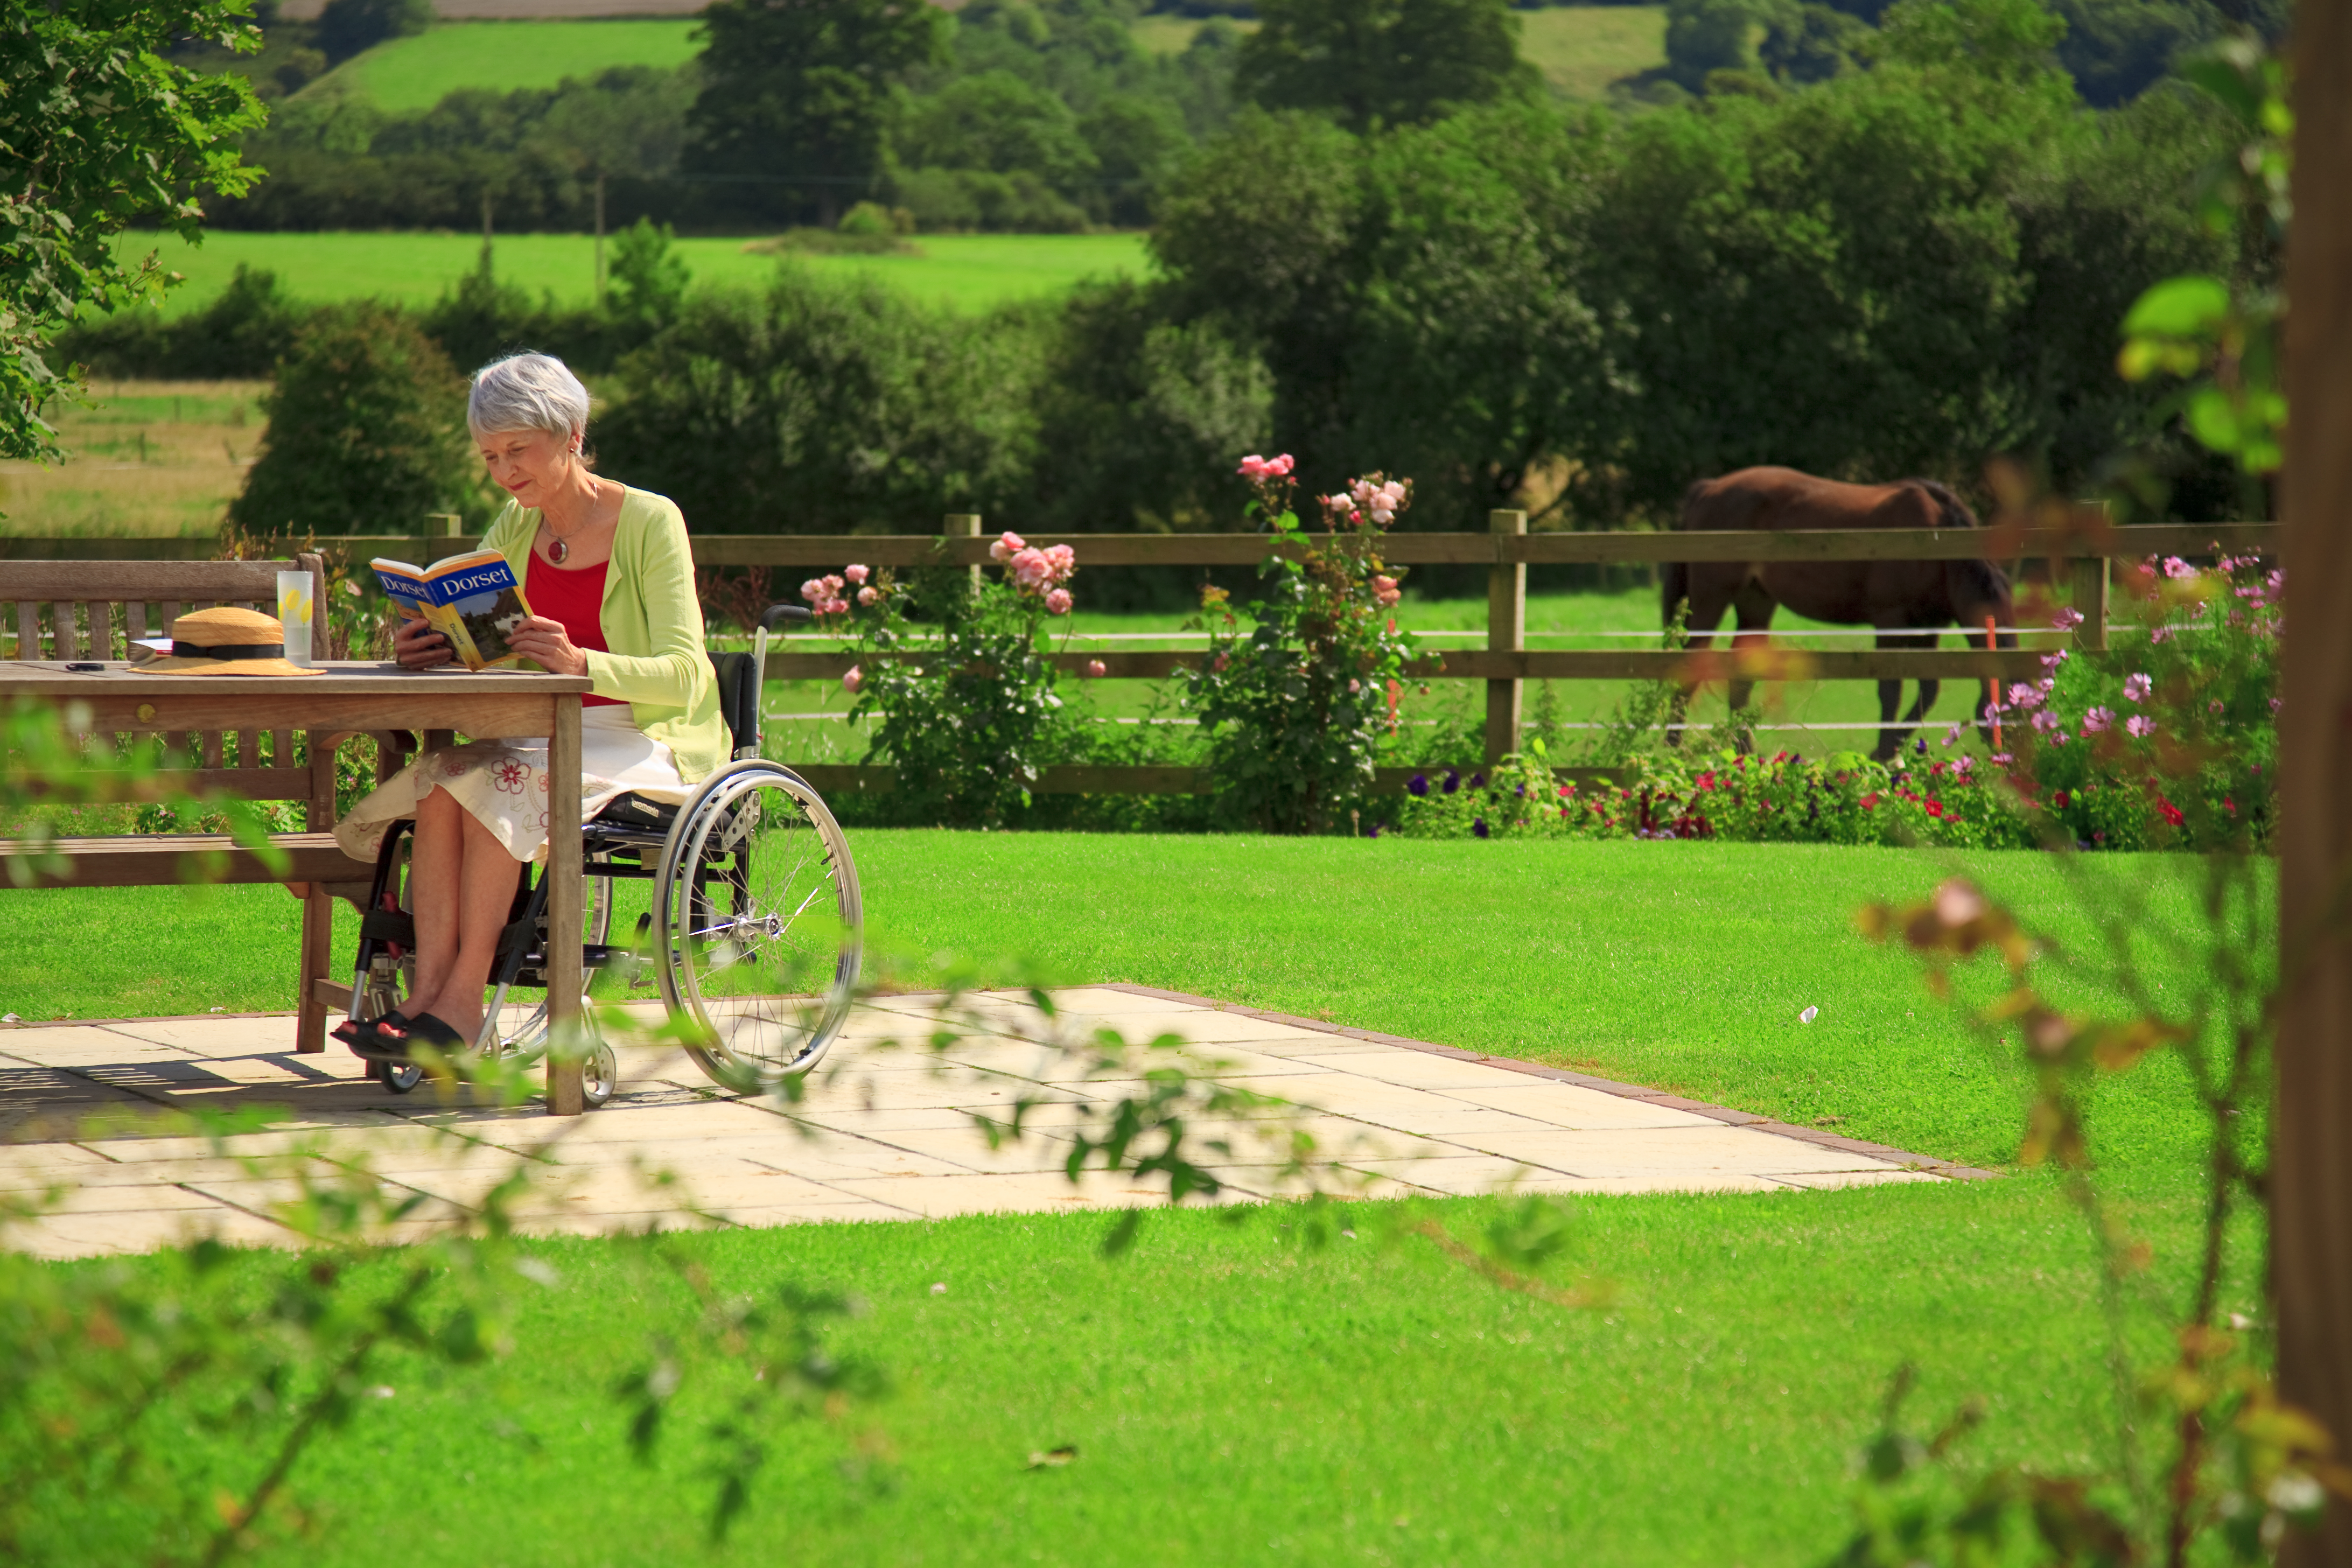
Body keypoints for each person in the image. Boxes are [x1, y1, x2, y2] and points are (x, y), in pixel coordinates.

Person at [334, 352, 728, 1058]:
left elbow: (687, 674)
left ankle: (459, 1004)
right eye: (490, 457)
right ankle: (426, 997)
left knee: (493, 787)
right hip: (539, 732)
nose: (504, 471)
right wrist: (439, 642)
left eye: (518, 450)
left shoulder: (649, 522)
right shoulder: (515, 530)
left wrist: (584, 664)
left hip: (638, 738)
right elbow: (488, 640)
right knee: (440, 787)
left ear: (572, 434)